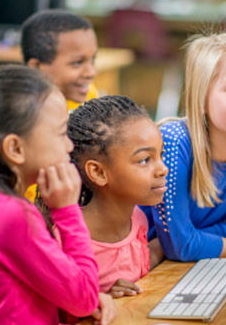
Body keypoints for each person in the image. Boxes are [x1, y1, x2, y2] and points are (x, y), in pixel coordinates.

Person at [0, 65, 116, 325]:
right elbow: (83, 296)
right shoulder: (11, 213)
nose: (69, 145)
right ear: (15, 149)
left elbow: (31, 291)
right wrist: (67, 210)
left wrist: (82, 302)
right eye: (60, 134)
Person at [143, 32, 226, 262]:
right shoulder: (173, 143)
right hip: (137, 271)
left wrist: (183, 241)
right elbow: (181, 247)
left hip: (174, 266)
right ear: (201, 98)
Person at [64, 95, 167, 296]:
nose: (162, 169)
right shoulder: (68, 241)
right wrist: (96, 302)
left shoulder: (138, 219)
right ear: (99, 173)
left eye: (161, 155)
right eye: (145, 160)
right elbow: (54, 316)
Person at [20, 9, 99, 202]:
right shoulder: (23, 115)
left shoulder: (89, 95)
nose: (90, 72)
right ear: (37, 67)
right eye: (77, 63)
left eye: (92, 60)